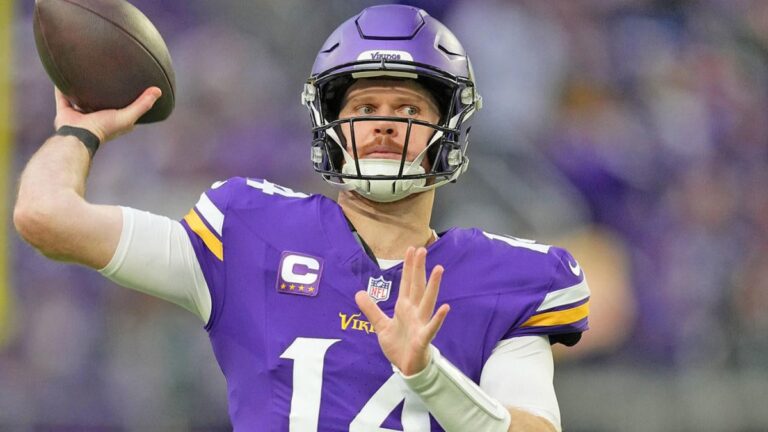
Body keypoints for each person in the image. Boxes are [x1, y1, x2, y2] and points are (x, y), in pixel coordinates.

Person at [14, 5, 589, 431]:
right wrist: (80, 131)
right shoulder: (248, 233)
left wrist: (427, 372)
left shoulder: (508, 281)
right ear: (329, 127)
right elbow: (46, 215)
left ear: (450, 131)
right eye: (364, 108)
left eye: (408, 108)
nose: (385, 124)